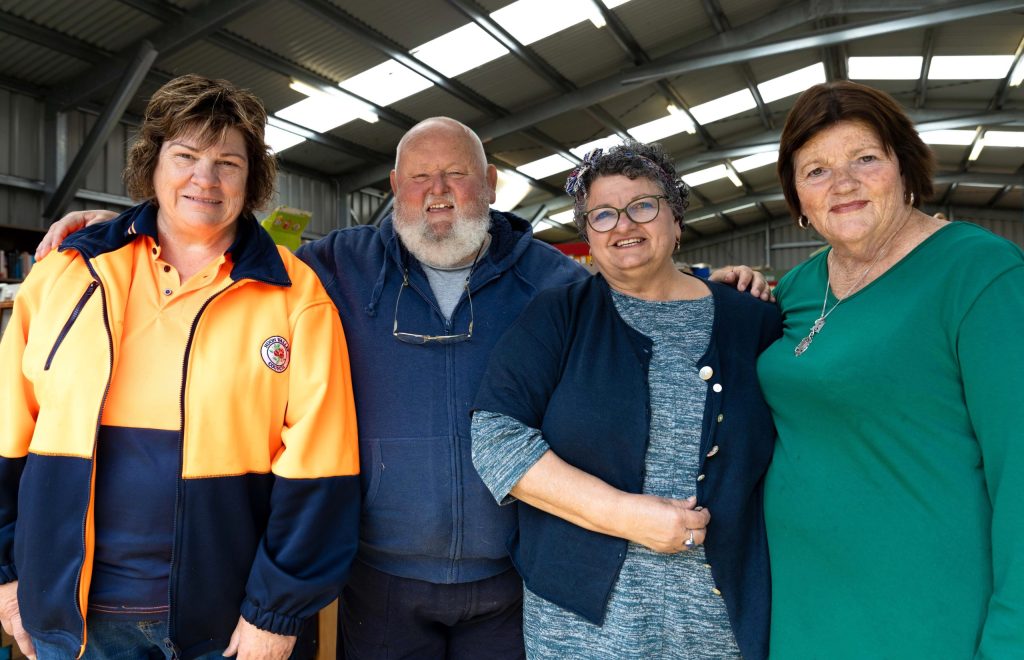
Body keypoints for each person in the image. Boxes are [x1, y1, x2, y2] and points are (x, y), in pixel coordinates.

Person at [35, 117, 772, 659]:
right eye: (419, 178)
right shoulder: (334, 265)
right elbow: (233, 252)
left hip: (511, 579)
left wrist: (714, 282)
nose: (438, 192)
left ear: (491, 184)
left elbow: (633, 278)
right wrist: (134, 228)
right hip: (380, 578)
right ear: (394, 189)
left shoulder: (549, 276)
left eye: (457, 175)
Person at [0, 74, 361, 660]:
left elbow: (323, 471)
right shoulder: (66, 274)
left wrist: (277, 611)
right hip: (76, 618)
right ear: (153, 163)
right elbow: (6, 433)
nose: (205, 178)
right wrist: (5, 576)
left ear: (252, 178)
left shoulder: (296, 296)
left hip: (226, 624)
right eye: (186, 156)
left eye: (228, 163)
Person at [471, 140, 781, 659]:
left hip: (717, 622)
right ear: (589, 236)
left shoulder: (754, 320)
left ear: (676, 219)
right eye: (603, 215)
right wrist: (623, 515)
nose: (623, 225)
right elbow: (494, 437)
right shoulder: (558, 315)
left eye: (643, 206)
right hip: (579, 625)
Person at [758, 80, 1024, 657]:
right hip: (805, 611)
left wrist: (1011, 641)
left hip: (929, 617)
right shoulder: (796, 288)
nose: (843, 183)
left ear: (903, 167)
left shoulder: (979, 272)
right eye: (816, 171)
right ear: (797, 196)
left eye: (865, 159)